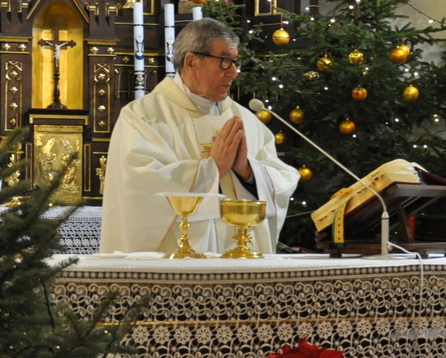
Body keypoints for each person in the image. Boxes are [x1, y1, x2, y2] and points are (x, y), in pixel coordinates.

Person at [99, 18, 299, 255]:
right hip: (175, 265)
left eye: (235, 62)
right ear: (191, 61)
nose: (234, 73)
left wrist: (247, 172)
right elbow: (139, 186)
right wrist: (212, 169)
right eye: (224, 61)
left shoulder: (244, 119)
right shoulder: (143, 116)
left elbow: (282, 181)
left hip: (240, 261)